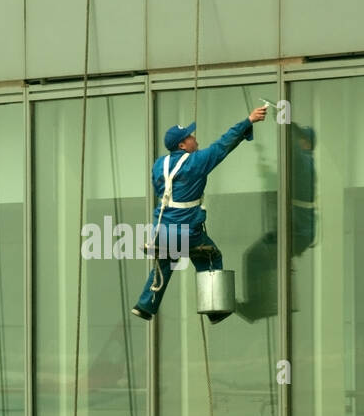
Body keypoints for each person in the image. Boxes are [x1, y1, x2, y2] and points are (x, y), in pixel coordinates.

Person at [131, 105, 269, 322]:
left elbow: (163, 191)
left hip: (162, 228)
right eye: (190, 136)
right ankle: (215, 310)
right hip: (188, 229)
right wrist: (248, 121)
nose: (195, 138)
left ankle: (145, 305)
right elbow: (224, 144)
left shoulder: (159, 164)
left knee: (166, 260)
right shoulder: (197, 162)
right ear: (182, 145)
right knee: (210, 256)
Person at [236, 124, 317, 323]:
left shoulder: (304, 162)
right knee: (259, 258)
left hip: (295, 231)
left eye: (300, 139)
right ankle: (261, 303)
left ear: (306, 144)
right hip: (294, 230)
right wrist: (268, 175)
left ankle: (258, 306)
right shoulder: (303, 167)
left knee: (255, 257)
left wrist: (285, 123)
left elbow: (292, 151)